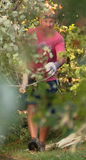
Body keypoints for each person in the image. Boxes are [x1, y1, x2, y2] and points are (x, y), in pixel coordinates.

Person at [25, 11, 66, 152]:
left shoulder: (58, 38)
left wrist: (55, 65)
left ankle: (42, 143)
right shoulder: (31, 33)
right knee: (32, 108)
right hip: (33, 77)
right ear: (40, 20)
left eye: (51, 22)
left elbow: (62, 57)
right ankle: (34, 140)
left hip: (49, 79)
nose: (49, 24)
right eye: (46, 21)